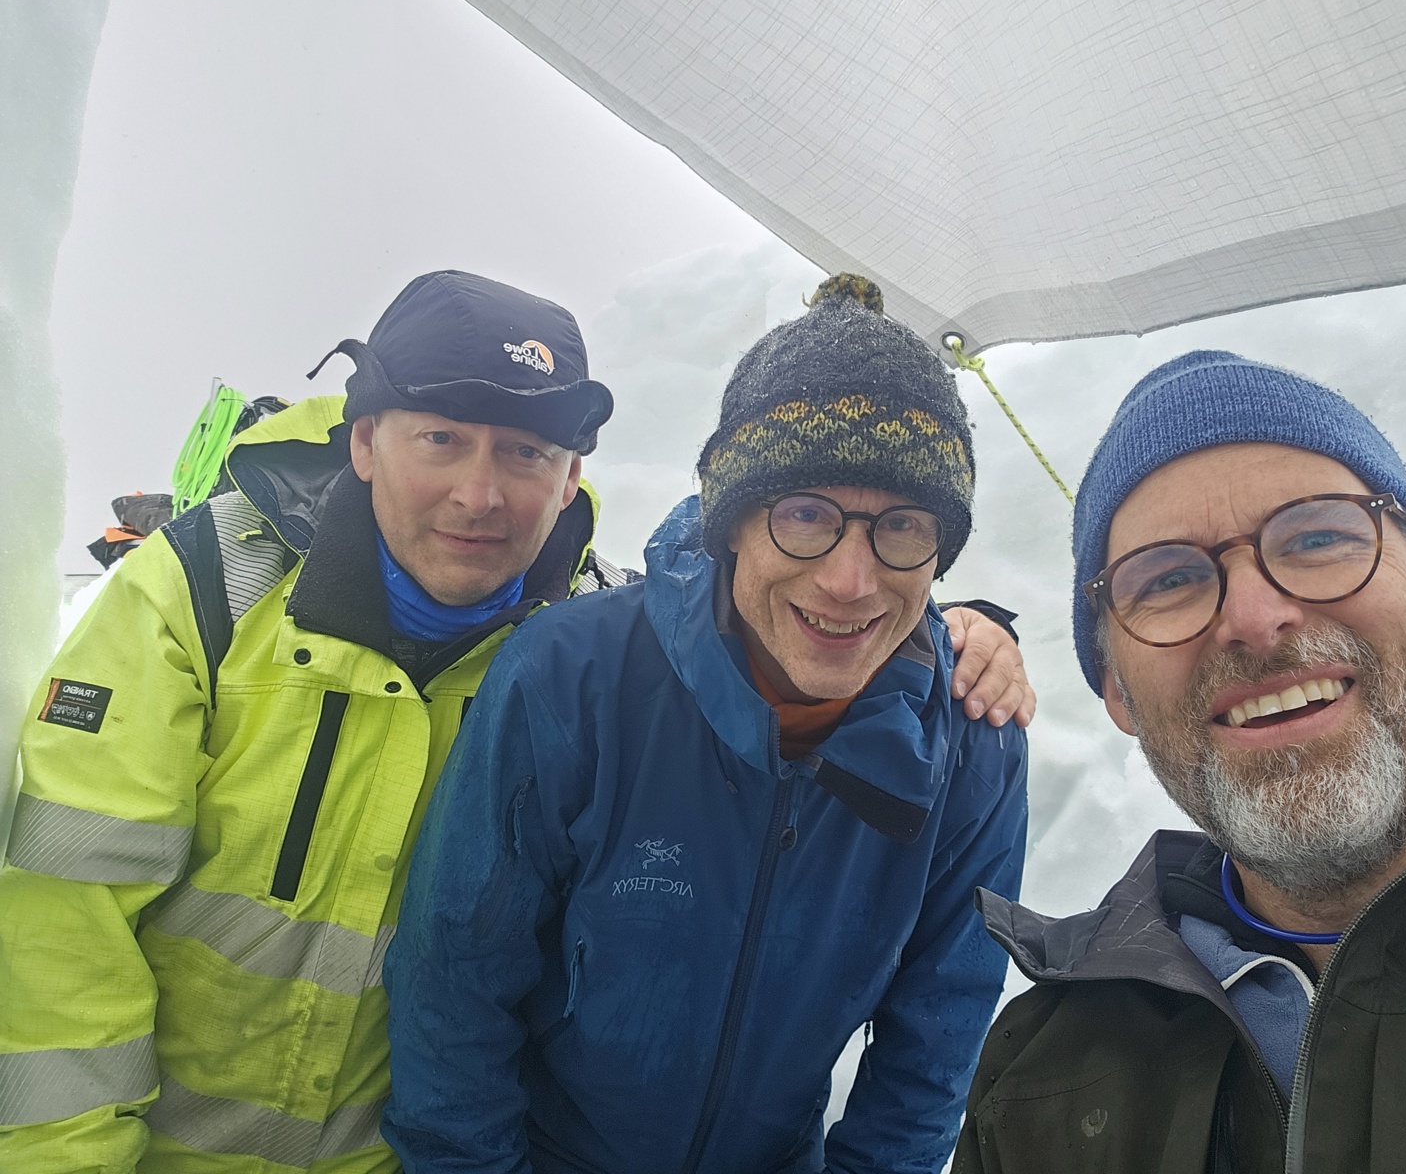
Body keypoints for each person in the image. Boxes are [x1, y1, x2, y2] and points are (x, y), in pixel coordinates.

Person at [0, 268, 1033, 1173]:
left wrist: (958, 634)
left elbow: (933, 1031)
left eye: (528, 453)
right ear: (364, 441)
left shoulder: (592, 633)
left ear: (572, 474)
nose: (479, 494)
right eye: (441, 438)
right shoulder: (212, 595)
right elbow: (66, 922)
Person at [382, 275, 1031, 1174]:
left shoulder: (972, 743)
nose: (849, 581)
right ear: (731, 523)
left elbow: (932, 1052)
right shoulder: (575, 675)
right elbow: (454, 991)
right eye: (804, 515)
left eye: (902, 526)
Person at [954, 350, 1406, 1174]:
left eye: (1318, 536)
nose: (1255, 619)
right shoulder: (1038, 1077)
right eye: (1168, 581)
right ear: (1117, 692)